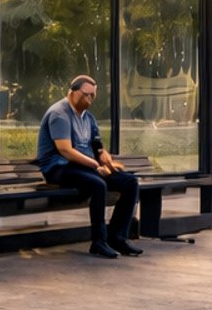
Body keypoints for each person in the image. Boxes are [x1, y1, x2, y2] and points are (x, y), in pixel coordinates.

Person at [35, 75, 144, 258]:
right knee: (98, 184)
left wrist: (105, 158)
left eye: (93, 96)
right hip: (58, 168)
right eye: (86, 95)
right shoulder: (59, 114)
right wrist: (94, 165)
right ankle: (98, 242)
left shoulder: (89, 118)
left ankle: (117, 237)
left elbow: (98, 148)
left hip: (83, 167)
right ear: (72, 92)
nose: (90, 100)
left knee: (130, 182)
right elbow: (65, 150)